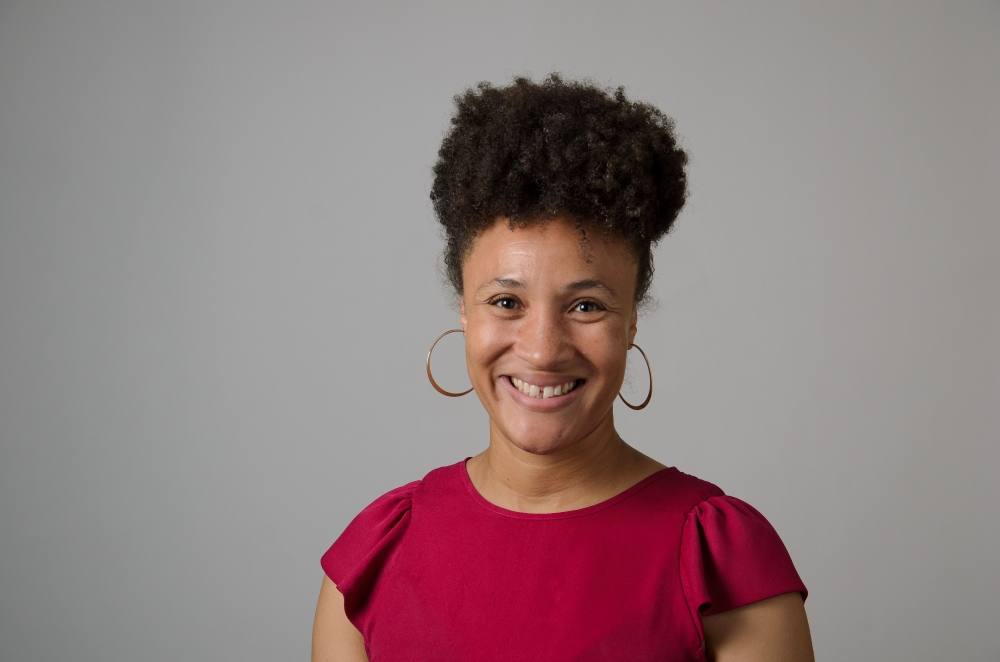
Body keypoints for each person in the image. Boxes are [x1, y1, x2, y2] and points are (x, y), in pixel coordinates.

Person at [312, 74, 814, 662]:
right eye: (506, 302)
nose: (544, 348)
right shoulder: (376, 555)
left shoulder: (721, 564)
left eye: (586, 305)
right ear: (465, 314)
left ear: (631, 324)